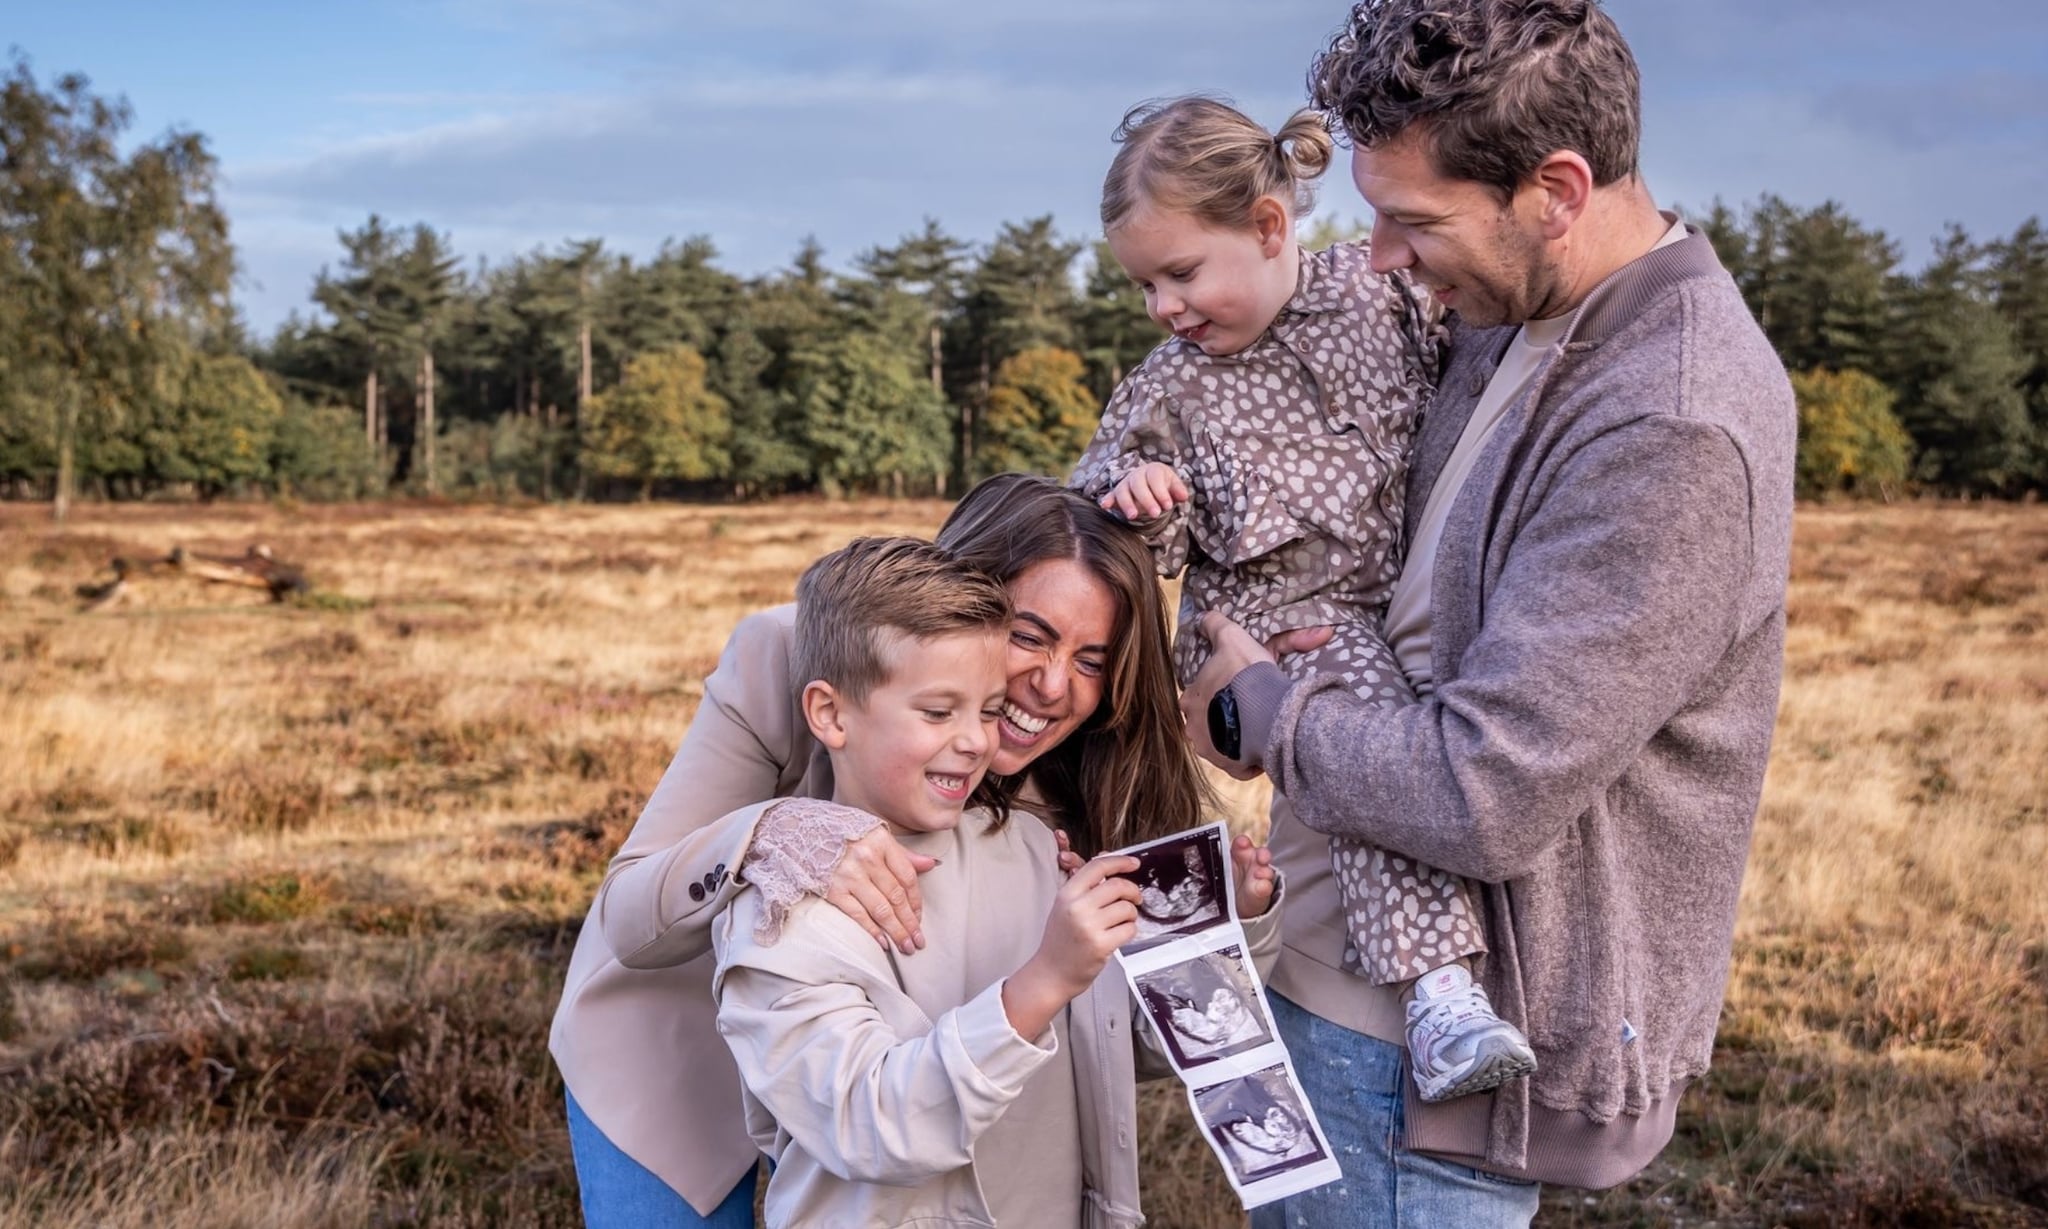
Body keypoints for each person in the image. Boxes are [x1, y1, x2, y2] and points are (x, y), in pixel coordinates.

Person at [1176, 2, 1798, 1226]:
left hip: (1428, 1065)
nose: (1385, 257)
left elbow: (1486, 788)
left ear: (1555, 188)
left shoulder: (1669, 418)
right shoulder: (1501, 312)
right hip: (1335, 975)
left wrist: (1258, 714)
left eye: (1413, 222)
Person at [548, 474, 1255, 1227]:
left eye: (1091, 658)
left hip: (898, 1077)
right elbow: (630, 915)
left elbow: (1106, 1018)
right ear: (970, 592)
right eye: (1027, 634)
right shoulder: (799, 657)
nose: (1051, 685)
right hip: (681, 1032)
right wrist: (768, 833)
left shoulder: (1091, 754)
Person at [1071, 95, 1535, 1105]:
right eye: (1143, 284)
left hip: (1388, 606)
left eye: (1180, 272)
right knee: (1360, 720)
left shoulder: (1378, 297)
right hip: (1260, 633)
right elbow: (1097, 513)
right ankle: (1439, 991)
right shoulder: (1166, 388)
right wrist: (1138, 502)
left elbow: (1471, 371)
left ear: (1270, 227)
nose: (1161, 305)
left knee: (1440, 735)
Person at [709, 536, 1279, 1227]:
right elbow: (872, 1123)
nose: (977, 740)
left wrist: (1227, 926)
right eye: (937, 711)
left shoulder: (1037, 847)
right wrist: (1044, 978)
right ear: (830, 714)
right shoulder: (783, 909)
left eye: (986, 709)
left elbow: (1120, 1047)